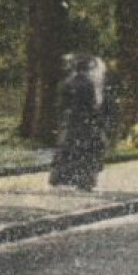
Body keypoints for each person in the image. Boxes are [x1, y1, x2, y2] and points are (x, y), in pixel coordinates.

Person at [49, 55, 105, 191]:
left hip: (69, 121)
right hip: (85, 121)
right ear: (86, 69)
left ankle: (61, 178)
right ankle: (84, 181)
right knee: (85, 151)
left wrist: (62, 118)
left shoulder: (67, 82)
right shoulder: (88, 84)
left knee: (67, 149)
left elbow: (60, 104)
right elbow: (92, 105)